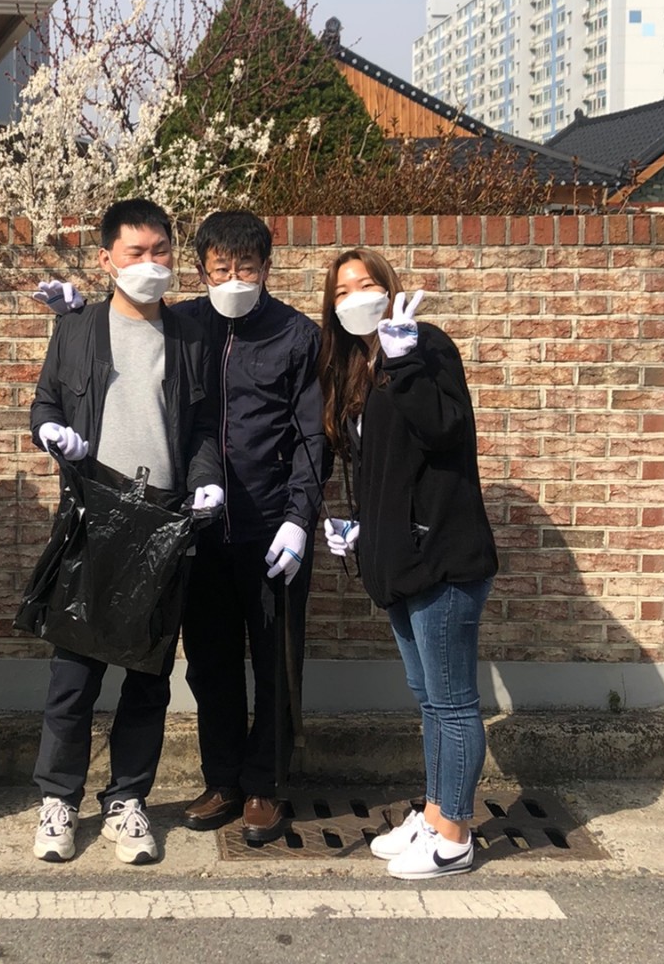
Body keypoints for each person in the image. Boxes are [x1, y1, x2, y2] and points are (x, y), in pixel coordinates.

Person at [33, 210, 327, 845]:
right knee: (209, 664)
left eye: (246, 268)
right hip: (195, 530)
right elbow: (119, 333)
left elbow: (312, 438)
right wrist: (77, 316)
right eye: (221, 268)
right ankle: (223, 779)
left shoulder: (297, 336)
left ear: (266, 268)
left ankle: (265, 784)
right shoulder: (189, 323)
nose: (233, 279)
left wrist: (300, 519)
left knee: (275, 661)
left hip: (269, 527)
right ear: (202, 270)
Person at [28, 198, 223, 866]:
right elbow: (46, 401)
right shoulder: (78, 328)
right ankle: (58, 800)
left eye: (160, 250)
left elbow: (203, 425)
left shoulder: (189, 334)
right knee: (73, 673)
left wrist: (207, 478)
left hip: (164, 519)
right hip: (96, 509)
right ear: (106, 259)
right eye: (136, 252)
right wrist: (50, 432)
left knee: (148, 674)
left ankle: (127, 800)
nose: (150, 263)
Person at [316, 248, 498, 881]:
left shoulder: (425, 345)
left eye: (366, 283)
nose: (356, 297)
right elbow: (384, 472)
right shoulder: (356, 368)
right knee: (429, 700)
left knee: (454, 702)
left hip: (443, 557)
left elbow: (446, 430)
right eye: (342, 292)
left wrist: (407, 360)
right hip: (399, 559)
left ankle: (455, 834)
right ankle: (435, 812)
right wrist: (362, 529)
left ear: (390, 289)